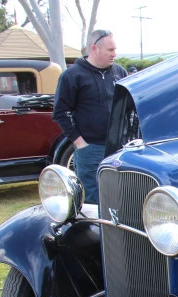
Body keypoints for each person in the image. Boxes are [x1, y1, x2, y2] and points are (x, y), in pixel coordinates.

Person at [53, 29, 128, 204]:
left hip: (119, 149)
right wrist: (80, 143)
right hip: (90, 149)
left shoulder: (120, 73)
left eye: (115, 49)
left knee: (122, 198)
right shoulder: (72, 76)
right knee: (94, 201)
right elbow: (60, 113)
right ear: (95, 49)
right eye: (110, 50)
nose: (114, 54)